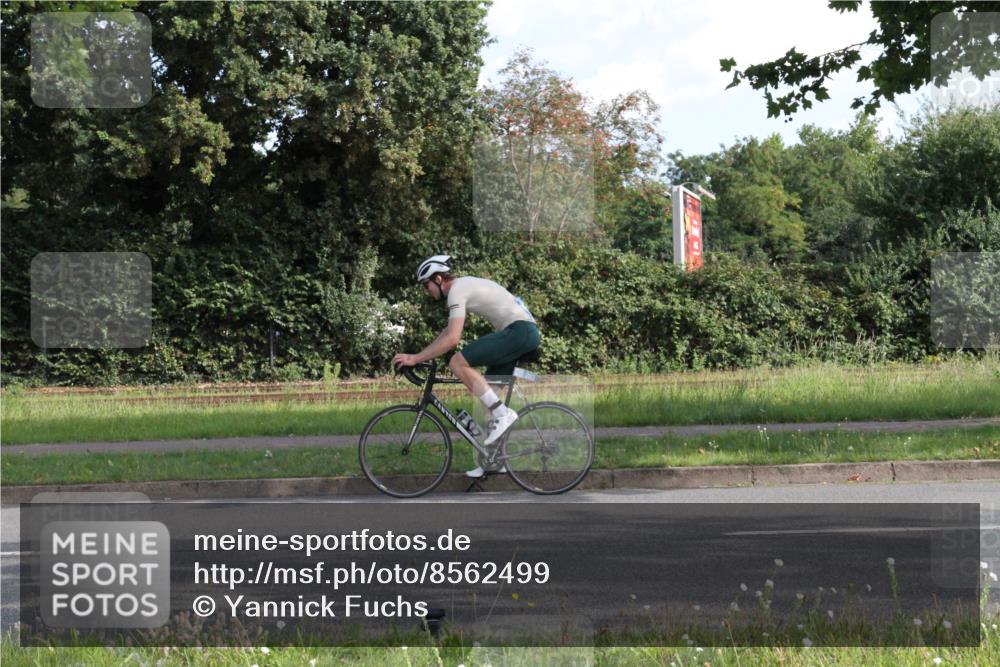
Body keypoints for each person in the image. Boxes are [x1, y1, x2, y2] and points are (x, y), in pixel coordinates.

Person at [392, 254, 541, 477]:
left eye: (426, 285)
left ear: (438, 279)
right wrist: (419, 356)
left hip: (519, 331)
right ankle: (494, 461)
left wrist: (415, 359)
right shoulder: (461, 288)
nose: (426, 290)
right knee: (488, 397)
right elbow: (448, 332)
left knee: (457, 362)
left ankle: (504, 414)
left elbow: (453, 339)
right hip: (520, 333)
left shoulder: (456, 290)